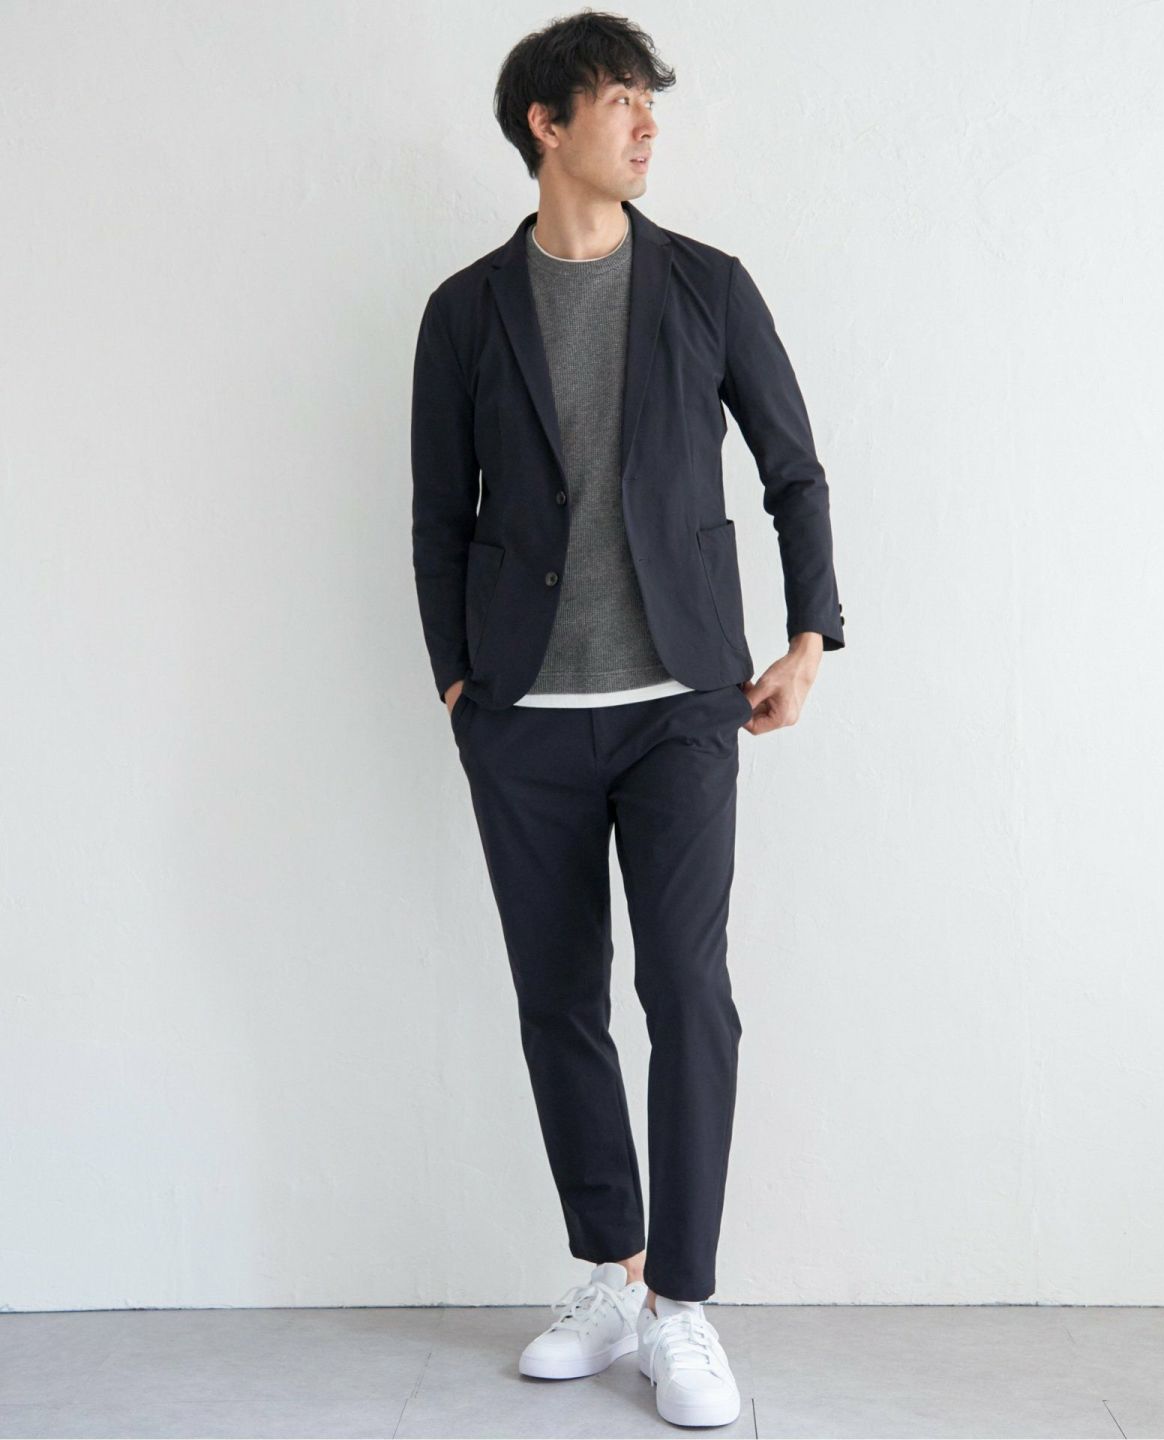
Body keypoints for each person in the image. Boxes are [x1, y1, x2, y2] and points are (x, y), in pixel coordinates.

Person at [411, 11, 844, 1429]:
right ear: (547, 125)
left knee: (689, 995)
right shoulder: (465, 312)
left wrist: (810, 636)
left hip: (681, 711)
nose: (647, 124)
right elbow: (437, 516)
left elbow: (793, 469)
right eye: (618, 100)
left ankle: (684, 1307)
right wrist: (460, 685)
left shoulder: (708, 285)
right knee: (558, 1001)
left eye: (651, 102)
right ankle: (613, 1270)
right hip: (525, 717)